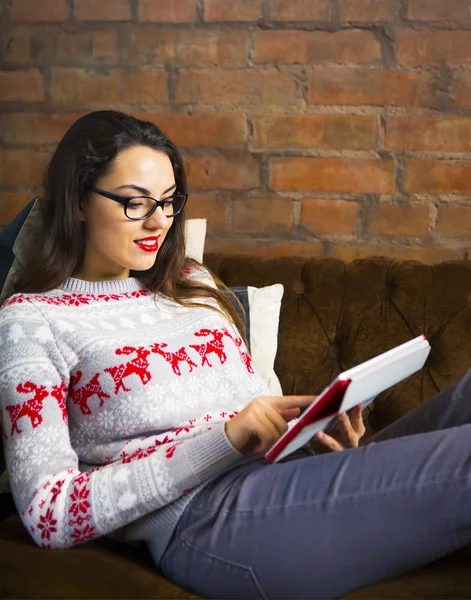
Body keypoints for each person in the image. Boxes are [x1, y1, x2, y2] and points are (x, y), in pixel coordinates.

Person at [1, 110, 471, 600]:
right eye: (135, 203)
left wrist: (308, 430)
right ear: (78, 199)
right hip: (209, 521)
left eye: (169, 202)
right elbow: (48, 514)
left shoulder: (191, 281)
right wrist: (224, 442)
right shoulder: (31, 320)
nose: (159, 221)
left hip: (290, 477)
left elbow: (248, 411)